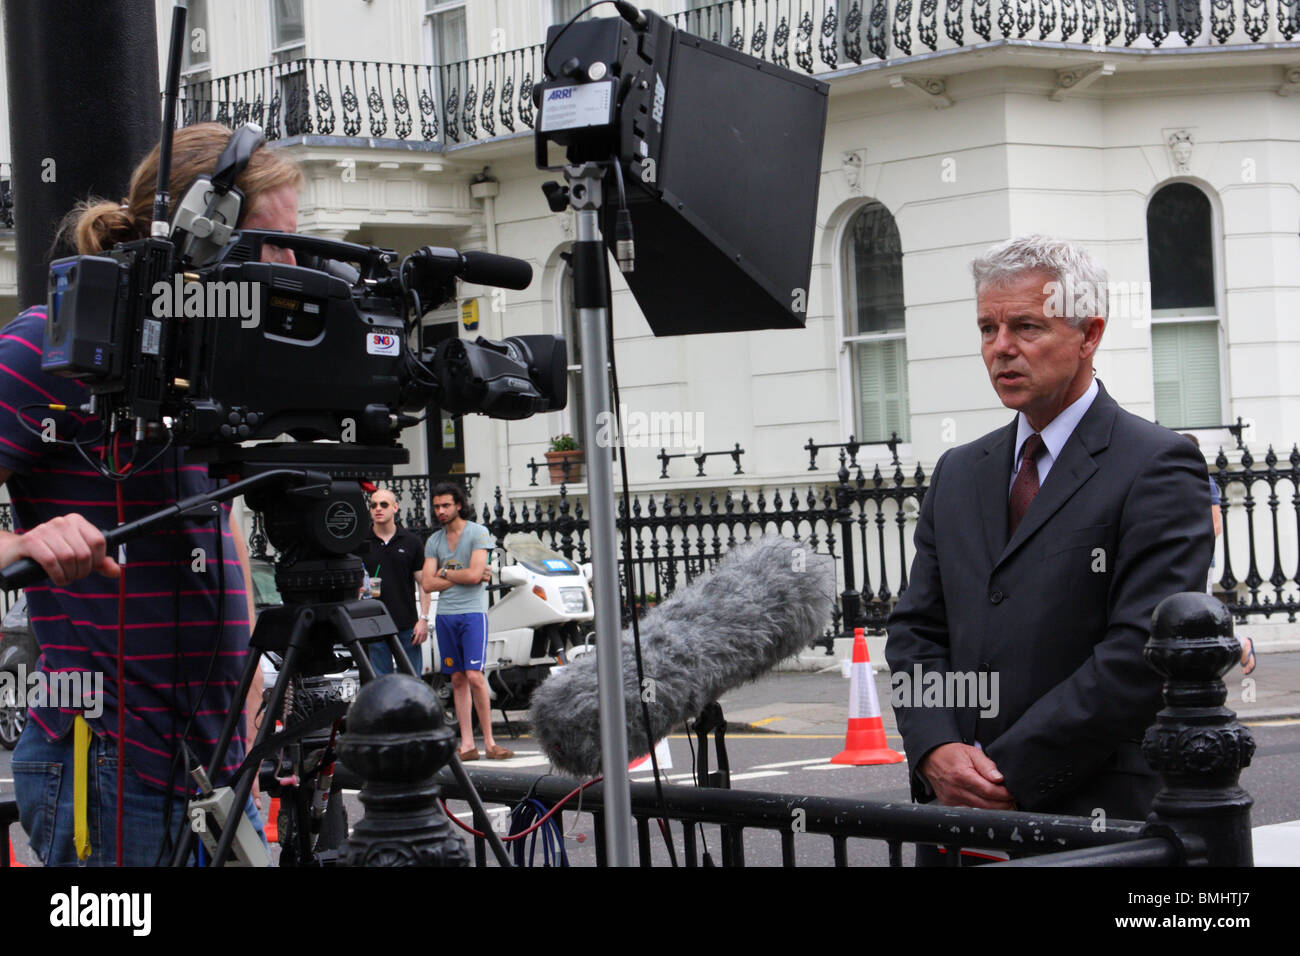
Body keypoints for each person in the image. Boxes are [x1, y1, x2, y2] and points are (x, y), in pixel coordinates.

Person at [0, 123, 302, 865]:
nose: (293, 266)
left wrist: (250, 690)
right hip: (104, 764)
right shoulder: (48, 346)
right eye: (272, 243)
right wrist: (22, 543)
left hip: (217, 766)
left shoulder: (207, 365)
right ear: (198, 239)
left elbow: (218, 521)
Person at [885, 235, 1212, 842]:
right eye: (987, 328)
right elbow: (917, 631)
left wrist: (1008, 772)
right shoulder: (959, 471)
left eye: (1026, 327)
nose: (1001, 349)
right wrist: (935, 748)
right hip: (954, 820)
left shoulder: (1157, 465)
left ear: (1089, 334)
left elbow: (1138, 652)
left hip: (1093, 822)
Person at [421, 481, 513, 761]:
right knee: (457, 678)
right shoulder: (434, 541)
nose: (441, 511)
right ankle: (467, 744)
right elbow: (426, 583)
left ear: (459, 504)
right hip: (446, 615)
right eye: (437, 506)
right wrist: (457, 572)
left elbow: (475, 577)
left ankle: (490, 741)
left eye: (446, 505)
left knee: (475, 675)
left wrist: (445, 573)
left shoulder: (477, 533)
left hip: (472, 614)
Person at [1181, 433, 1255, 674]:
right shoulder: (1173, 479)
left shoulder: (1205, 481)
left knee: (1203, 613)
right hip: (1178, 559)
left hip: (1199, 558)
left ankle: (1241, 644)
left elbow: (1216, 525)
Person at [353, 488, 430, 676]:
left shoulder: (411, 541)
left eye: (384, 504)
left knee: (412, 681)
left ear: (395, 507)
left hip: (407, 623)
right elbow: (353, 582)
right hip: (373, 622)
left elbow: (424, 583)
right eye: (373, 505)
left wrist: (424, 619)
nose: (378, 509)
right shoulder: (361, 542)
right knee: (381, 682)